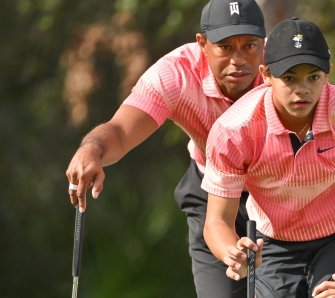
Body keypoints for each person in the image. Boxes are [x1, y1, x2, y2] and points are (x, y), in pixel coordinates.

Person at [202, 17, 335, 298]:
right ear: (266, 74)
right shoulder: (234, 130)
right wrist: (233, 253)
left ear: (328, 72)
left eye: (313, 77)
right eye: (289, 78)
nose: (302, 89)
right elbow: (216, 222)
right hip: (271, 243)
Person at [65, 0, 266, 297]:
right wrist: (92, 148)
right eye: (225, 47)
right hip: (211, 191)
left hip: (279, 194)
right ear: (203, 44)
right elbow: (121, 131)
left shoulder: (284, 70)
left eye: (250, 45)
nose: (239, 59)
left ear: (264, 42)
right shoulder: (177, 74)